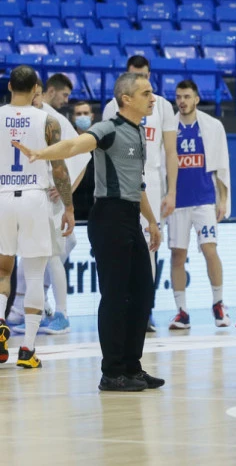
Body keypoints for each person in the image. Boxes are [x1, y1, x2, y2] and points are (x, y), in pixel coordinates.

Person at [13, 72, 163, 392]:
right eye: (146, 93)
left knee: (142, 292)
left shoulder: (139, 132)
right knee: (115, 295)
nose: (153, 98)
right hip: (109, 217)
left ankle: (132, 367)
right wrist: (41, 153)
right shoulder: (108, 128)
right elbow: (73, 145)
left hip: (131, 216)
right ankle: (112, 372)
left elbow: (137, 185)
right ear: (127, 99)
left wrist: (151, 221)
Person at [1, 65, 75, 368]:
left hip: (2, 195)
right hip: (34, 197)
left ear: (9, 87)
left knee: (2, 271)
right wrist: (69, 207)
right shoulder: (48, 120)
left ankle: (0, 323)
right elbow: (59, 168)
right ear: (36, 90)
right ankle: (27, 350)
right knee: (34, 274)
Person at [102, 56, 178, 333]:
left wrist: (172, 191)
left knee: (150, 249)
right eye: (136, 75)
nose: (142, 80)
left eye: (145, 75)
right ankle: (121, 308)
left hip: (153, 182)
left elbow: (171, 151)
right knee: (121, 247)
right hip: (121, 183)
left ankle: (145, 311)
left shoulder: (162, 105)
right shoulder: (112, 106)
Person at [11, 78, 90, 335]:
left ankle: (62, 314)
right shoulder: (26, 117)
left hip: (50, 198)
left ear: (42, 93)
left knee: (53, 256)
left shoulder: (55, 119)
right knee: (34, 256)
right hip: (31, 197)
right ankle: (37, 310)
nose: (32, 98)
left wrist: (67, 191)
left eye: (35, 95)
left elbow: (83, 156)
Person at [167, 80, 232, 329]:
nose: (182, 101)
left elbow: (221, 165)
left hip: (204, 199)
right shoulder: (169, 126)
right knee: (177, 255)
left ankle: (218, 304)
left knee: (209, 250)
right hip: (177, 202)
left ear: (196, 99)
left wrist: (222, 199)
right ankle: (182, 311)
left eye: (186, 96)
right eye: (178, 97)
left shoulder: (212, 126)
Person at [71, 102, 97, 219]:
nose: (82, 116)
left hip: (95, 202)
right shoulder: (67, 141)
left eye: (86, 113)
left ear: (92, 116)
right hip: (73, 201)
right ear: (73, 117)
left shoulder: (101, 141)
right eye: (78, 114)